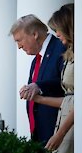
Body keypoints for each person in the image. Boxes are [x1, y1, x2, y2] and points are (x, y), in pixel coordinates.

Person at [9, 14, 66, 145]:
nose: (19, 46)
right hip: (40, 136)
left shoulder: (60, 49)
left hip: (58, 135)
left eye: (19, 40)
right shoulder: (36, 59)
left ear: (34, 34)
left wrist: (38, 86)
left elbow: (67, 84)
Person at [30, 3, 74, 153]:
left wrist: (60, 134)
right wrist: (38, 99)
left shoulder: (69, 53)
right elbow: (69, 100)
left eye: (58, 30)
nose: (56, 35)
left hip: (70, 125)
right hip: (62, 123)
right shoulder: (69, 53)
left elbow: (80, 101)